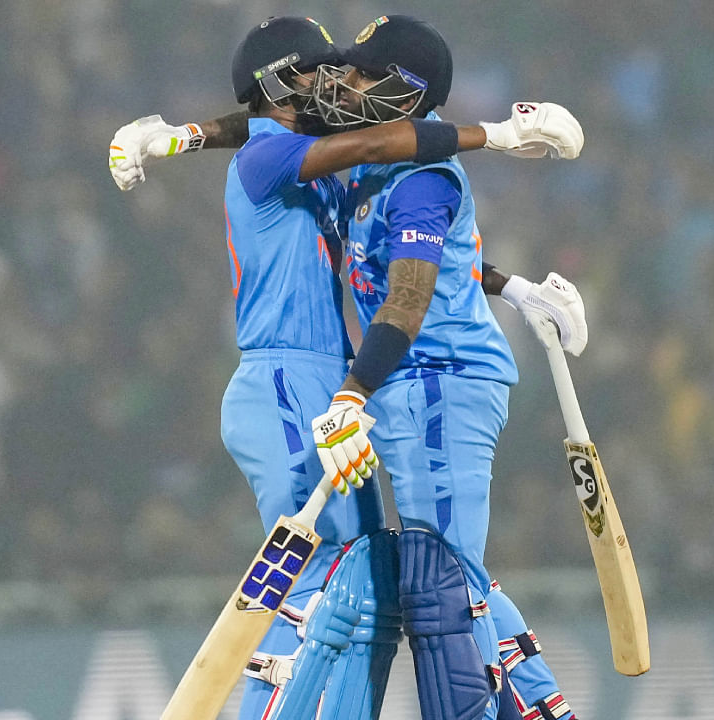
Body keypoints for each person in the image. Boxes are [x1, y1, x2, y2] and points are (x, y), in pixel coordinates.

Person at [108, 16, 586, 720]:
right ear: (278, 85)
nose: (333, 82)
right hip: (283, 380)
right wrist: (501, 134)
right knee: (318, 581)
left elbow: (397, 236)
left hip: (332, 383)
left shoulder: (322, 156)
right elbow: (338, 136)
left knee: (369, 585)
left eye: (350, 71)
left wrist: (509, 286)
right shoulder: (284, 155)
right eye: (317, 71)